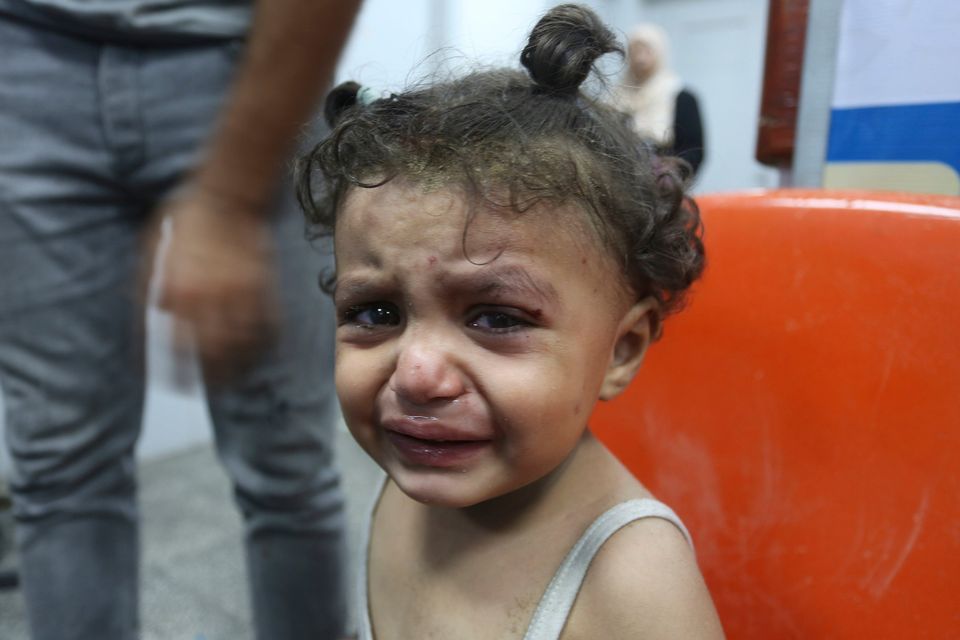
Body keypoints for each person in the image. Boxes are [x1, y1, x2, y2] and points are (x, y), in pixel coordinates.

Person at [296, 4, 724, 639]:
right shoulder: (412, 476)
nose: (416, 376)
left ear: (622, 350)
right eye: (376, 312)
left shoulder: (636, 590)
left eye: (495, 318)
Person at [0, 1, 360, 639]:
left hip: (254, 51)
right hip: (25, 53)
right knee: (60, 471)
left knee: (288, 464)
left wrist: (226, 201)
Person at [613, 22, 706, 178]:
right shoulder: (615, 97)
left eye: (647, 50)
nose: (640, 58)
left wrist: (668, 172)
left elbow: (694, 151)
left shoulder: (681, 97)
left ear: (660, 52)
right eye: (635, 51)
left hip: (662, 186)